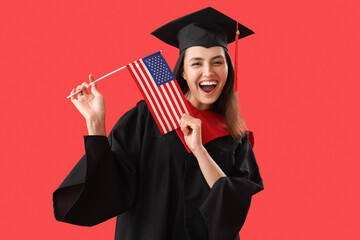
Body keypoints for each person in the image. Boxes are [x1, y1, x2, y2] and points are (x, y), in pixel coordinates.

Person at [53, 7, 263, 240]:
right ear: (182, 71)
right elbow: (111, 189)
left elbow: (231, 209)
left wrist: (199, 151)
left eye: (217, 62)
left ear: (228, 69)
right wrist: (95, 123)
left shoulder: (236, 137)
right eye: (196, 63)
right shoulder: (148, 117)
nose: (208, 72)